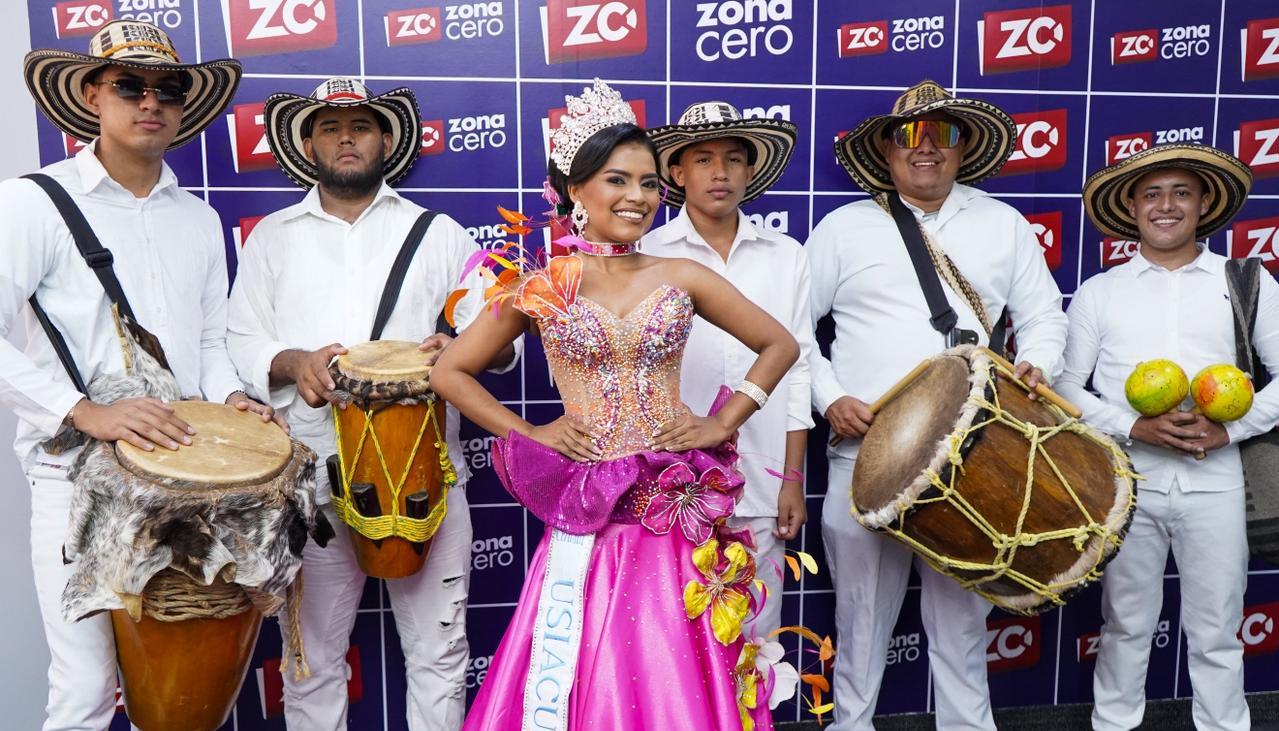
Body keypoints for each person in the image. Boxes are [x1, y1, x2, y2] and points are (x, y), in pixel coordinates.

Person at [430, 78, 800, 730]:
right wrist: (528, 431)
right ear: (576, 190)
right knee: (583, 668)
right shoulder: (541, 285)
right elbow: (452, 372)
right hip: (588, 518)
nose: (637, 197)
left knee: (676, 672)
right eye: (616, 180)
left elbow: (778, 343)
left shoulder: (679, 275)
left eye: (649, 183)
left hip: (670, 514)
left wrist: (722, 419)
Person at [0, 20, 275, 730]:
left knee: (186, 687)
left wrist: (234, 398)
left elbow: (210, 345)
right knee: (87, 687)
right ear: (93, 94)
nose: (149, 101)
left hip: (186, 479)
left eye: (168, 87)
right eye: (129, 85)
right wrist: (83, 410)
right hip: (75, 475)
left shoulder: (199, 219)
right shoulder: (34, 202)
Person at [226, 77, 520, 731]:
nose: (346, 137)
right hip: (313, 482)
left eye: (360, 124)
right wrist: (293, 361)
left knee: (440, 654)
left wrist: (464, 344)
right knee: (311, 662)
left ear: (384, 138)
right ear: (309, 142)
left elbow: (499, 342)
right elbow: (240, 336)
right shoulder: (271, 237)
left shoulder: (437, 232)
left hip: (427, 484)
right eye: (329, 127)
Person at [808, 79, 1068, 730]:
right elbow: (789, 333)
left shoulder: (1003, 224)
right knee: (861, 616)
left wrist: (1038, 362)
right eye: (909, 136)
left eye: (942, 134)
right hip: (864, 449)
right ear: (886, 152)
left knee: (960, 620)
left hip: (974, 453)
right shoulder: (841, 228)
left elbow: (1043, 317)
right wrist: (829, 395)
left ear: (962, 147)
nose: (925, 148)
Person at [1058, 144, 1273, 731]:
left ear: (1204, 203)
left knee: (1217, 630)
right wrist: (1134, 425)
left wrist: (1230, 430)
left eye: (1181, 192)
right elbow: (1066, 389)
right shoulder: (1101, 292)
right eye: (1151, 193)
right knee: (1125, 623)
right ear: (1131, 207)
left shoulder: (1246, 281)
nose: (1166, 205)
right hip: (1129, 484)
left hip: (1220, 486)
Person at [643, 101, 812, 638]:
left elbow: (797, 367)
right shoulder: (643, 253)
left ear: (750, 171)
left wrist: (791, 480)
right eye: (703, 159)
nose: (720, 173)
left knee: (757, 643)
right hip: (669, 484)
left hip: (761, 482)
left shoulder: (786, 256)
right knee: (676, 645)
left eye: (734, 159)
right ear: (677, 172)